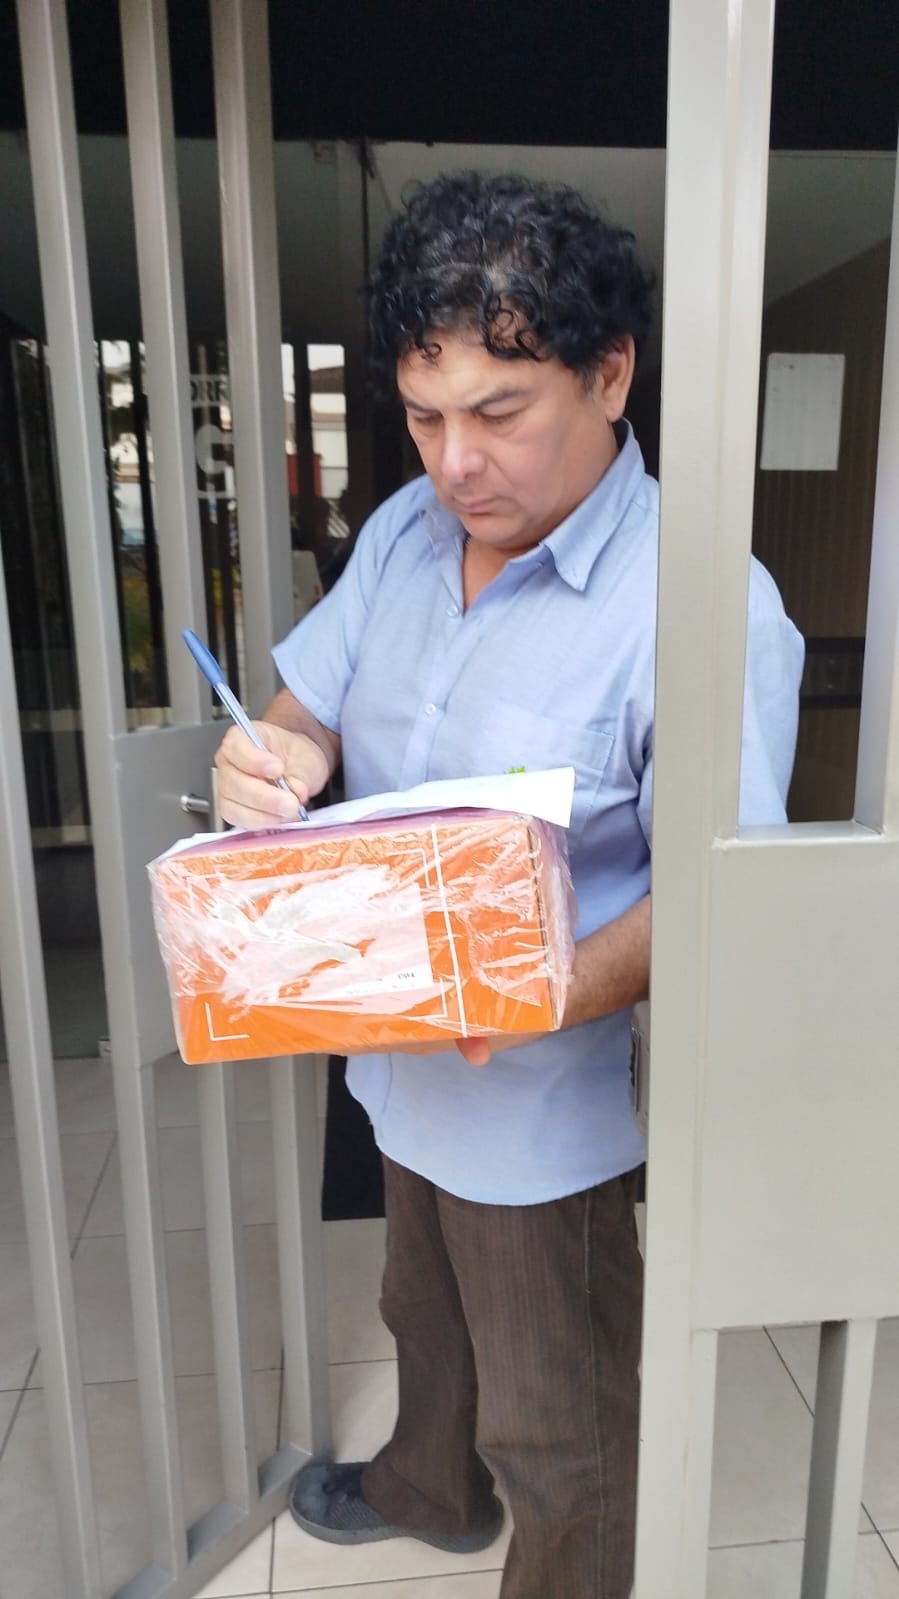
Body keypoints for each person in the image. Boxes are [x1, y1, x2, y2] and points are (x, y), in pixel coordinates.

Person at [215, 172, 804, 1599]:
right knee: (419, 1309)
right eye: (425, 417)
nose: (456, 464)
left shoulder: (706, 608)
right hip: (395, 1058)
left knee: (561, 1432)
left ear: (612, 376)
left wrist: (531, 988)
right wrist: (275, 760)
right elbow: (308, 706)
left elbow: (723, 900)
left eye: (499, 412)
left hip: (544, 1113)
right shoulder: (405, 538)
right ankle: (431, 1490)